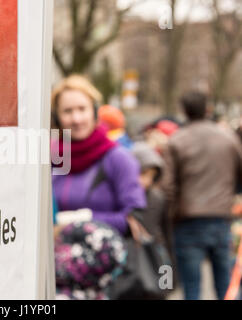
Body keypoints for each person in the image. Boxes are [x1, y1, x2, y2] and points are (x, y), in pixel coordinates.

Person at [162, 91, 242, 300]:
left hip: (188, 219)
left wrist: (171, 215)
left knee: (191, 286)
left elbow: (168, 186)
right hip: (221, 217)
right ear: (207, 108)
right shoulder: (228, 138)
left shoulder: (176, 140)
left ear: (184, 111)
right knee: (225, 284)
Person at [51, 75, 146, 236]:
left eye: (82, 109)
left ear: (94, 112)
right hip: (54, 258)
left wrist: (82, 219)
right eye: (67, 111)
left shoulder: (117, 158)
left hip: (107, 258)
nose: (76, 119)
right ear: (56, 118)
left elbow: (134, 219)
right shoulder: (51, 159)